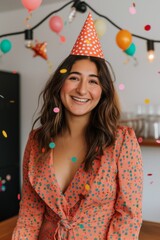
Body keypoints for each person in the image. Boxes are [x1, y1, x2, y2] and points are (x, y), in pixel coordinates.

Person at [12, 12, 143, 240]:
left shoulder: (121, 141)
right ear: (60, 83)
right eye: (74, 78)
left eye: (93, 81)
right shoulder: (37, 140)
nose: (82, 90)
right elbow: (29, 215)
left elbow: (128, 216)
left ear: (102, 92)